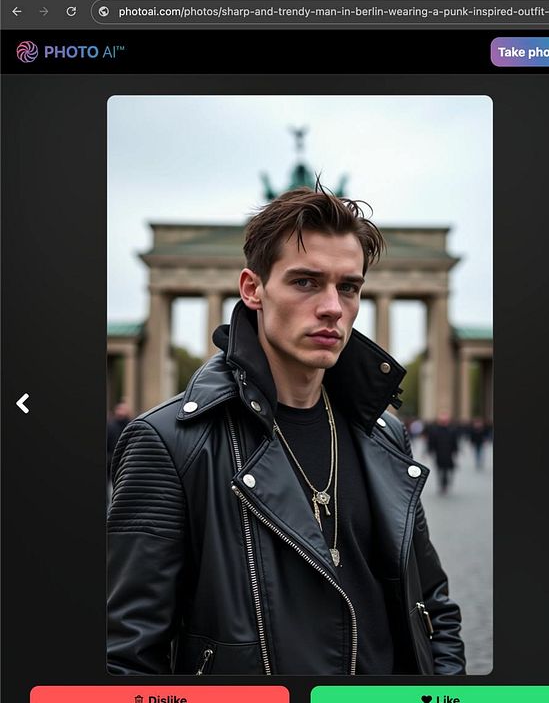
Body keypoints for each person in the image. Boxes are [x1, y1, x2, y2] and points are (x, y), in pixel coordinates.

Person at [107, 185, 465, 676]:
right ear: (253, 288)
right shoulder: (170, 443)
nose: (333, 308)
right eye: (304, 282)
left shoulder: (385, 435)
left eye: (349, 287)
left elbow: (431, 605)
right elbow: (126, 658)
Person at [426, 412, 459, 495]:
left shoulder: (452, 430)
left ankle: (445, 483)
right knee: (440, 470)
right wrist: (430, 450)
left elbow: (455, 442)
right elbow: (431, 442)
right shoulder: (434, 430)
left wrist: (455, 450)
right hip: (439, 453)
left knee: (447, 470)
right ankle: (442, 484)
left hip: (448, 453)